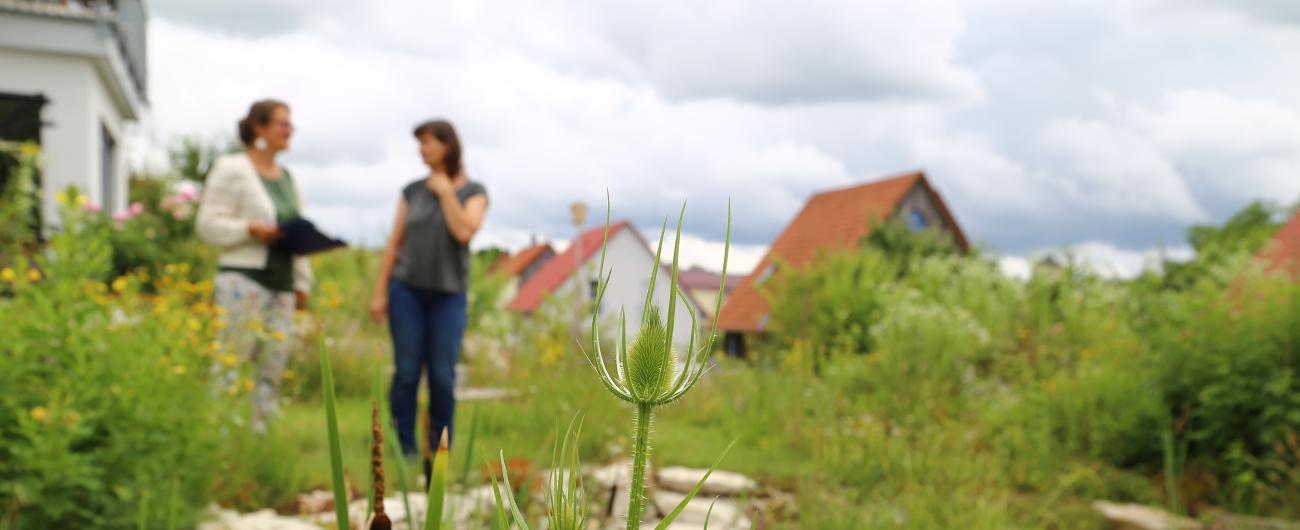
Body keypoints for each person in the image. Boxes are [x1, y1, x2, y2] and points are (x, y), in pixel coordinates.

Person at [370, 119, 488, 457]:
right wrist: (380, 292)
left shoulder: (474, 191)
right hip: (406, 291)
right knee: (406, 371)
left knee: (441, 375)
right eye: (419, 143)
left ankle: (440, 447)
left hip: (448, 296)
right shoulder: (411, 191)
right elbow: (395, 243)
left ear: (447, 145)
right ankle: (401, 445)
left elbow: (464, 232)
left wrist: (447, 193)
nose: (422, 149)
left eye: (428, 142)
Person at [196, 99, 313, 433]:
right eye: (282, 124)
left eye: (291, 125)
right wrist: (249, 228)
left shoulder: (289, 178)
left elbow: (297, 230)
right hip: (243, 277)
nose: (289, 130)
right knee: (232, 359)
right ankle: (223, 432)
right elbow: (207, 225)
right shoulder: (232, 168)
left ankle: (262, 434)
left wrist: (302, 282)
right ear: (259, 127)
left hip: (283, 282)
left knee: (272, 365)